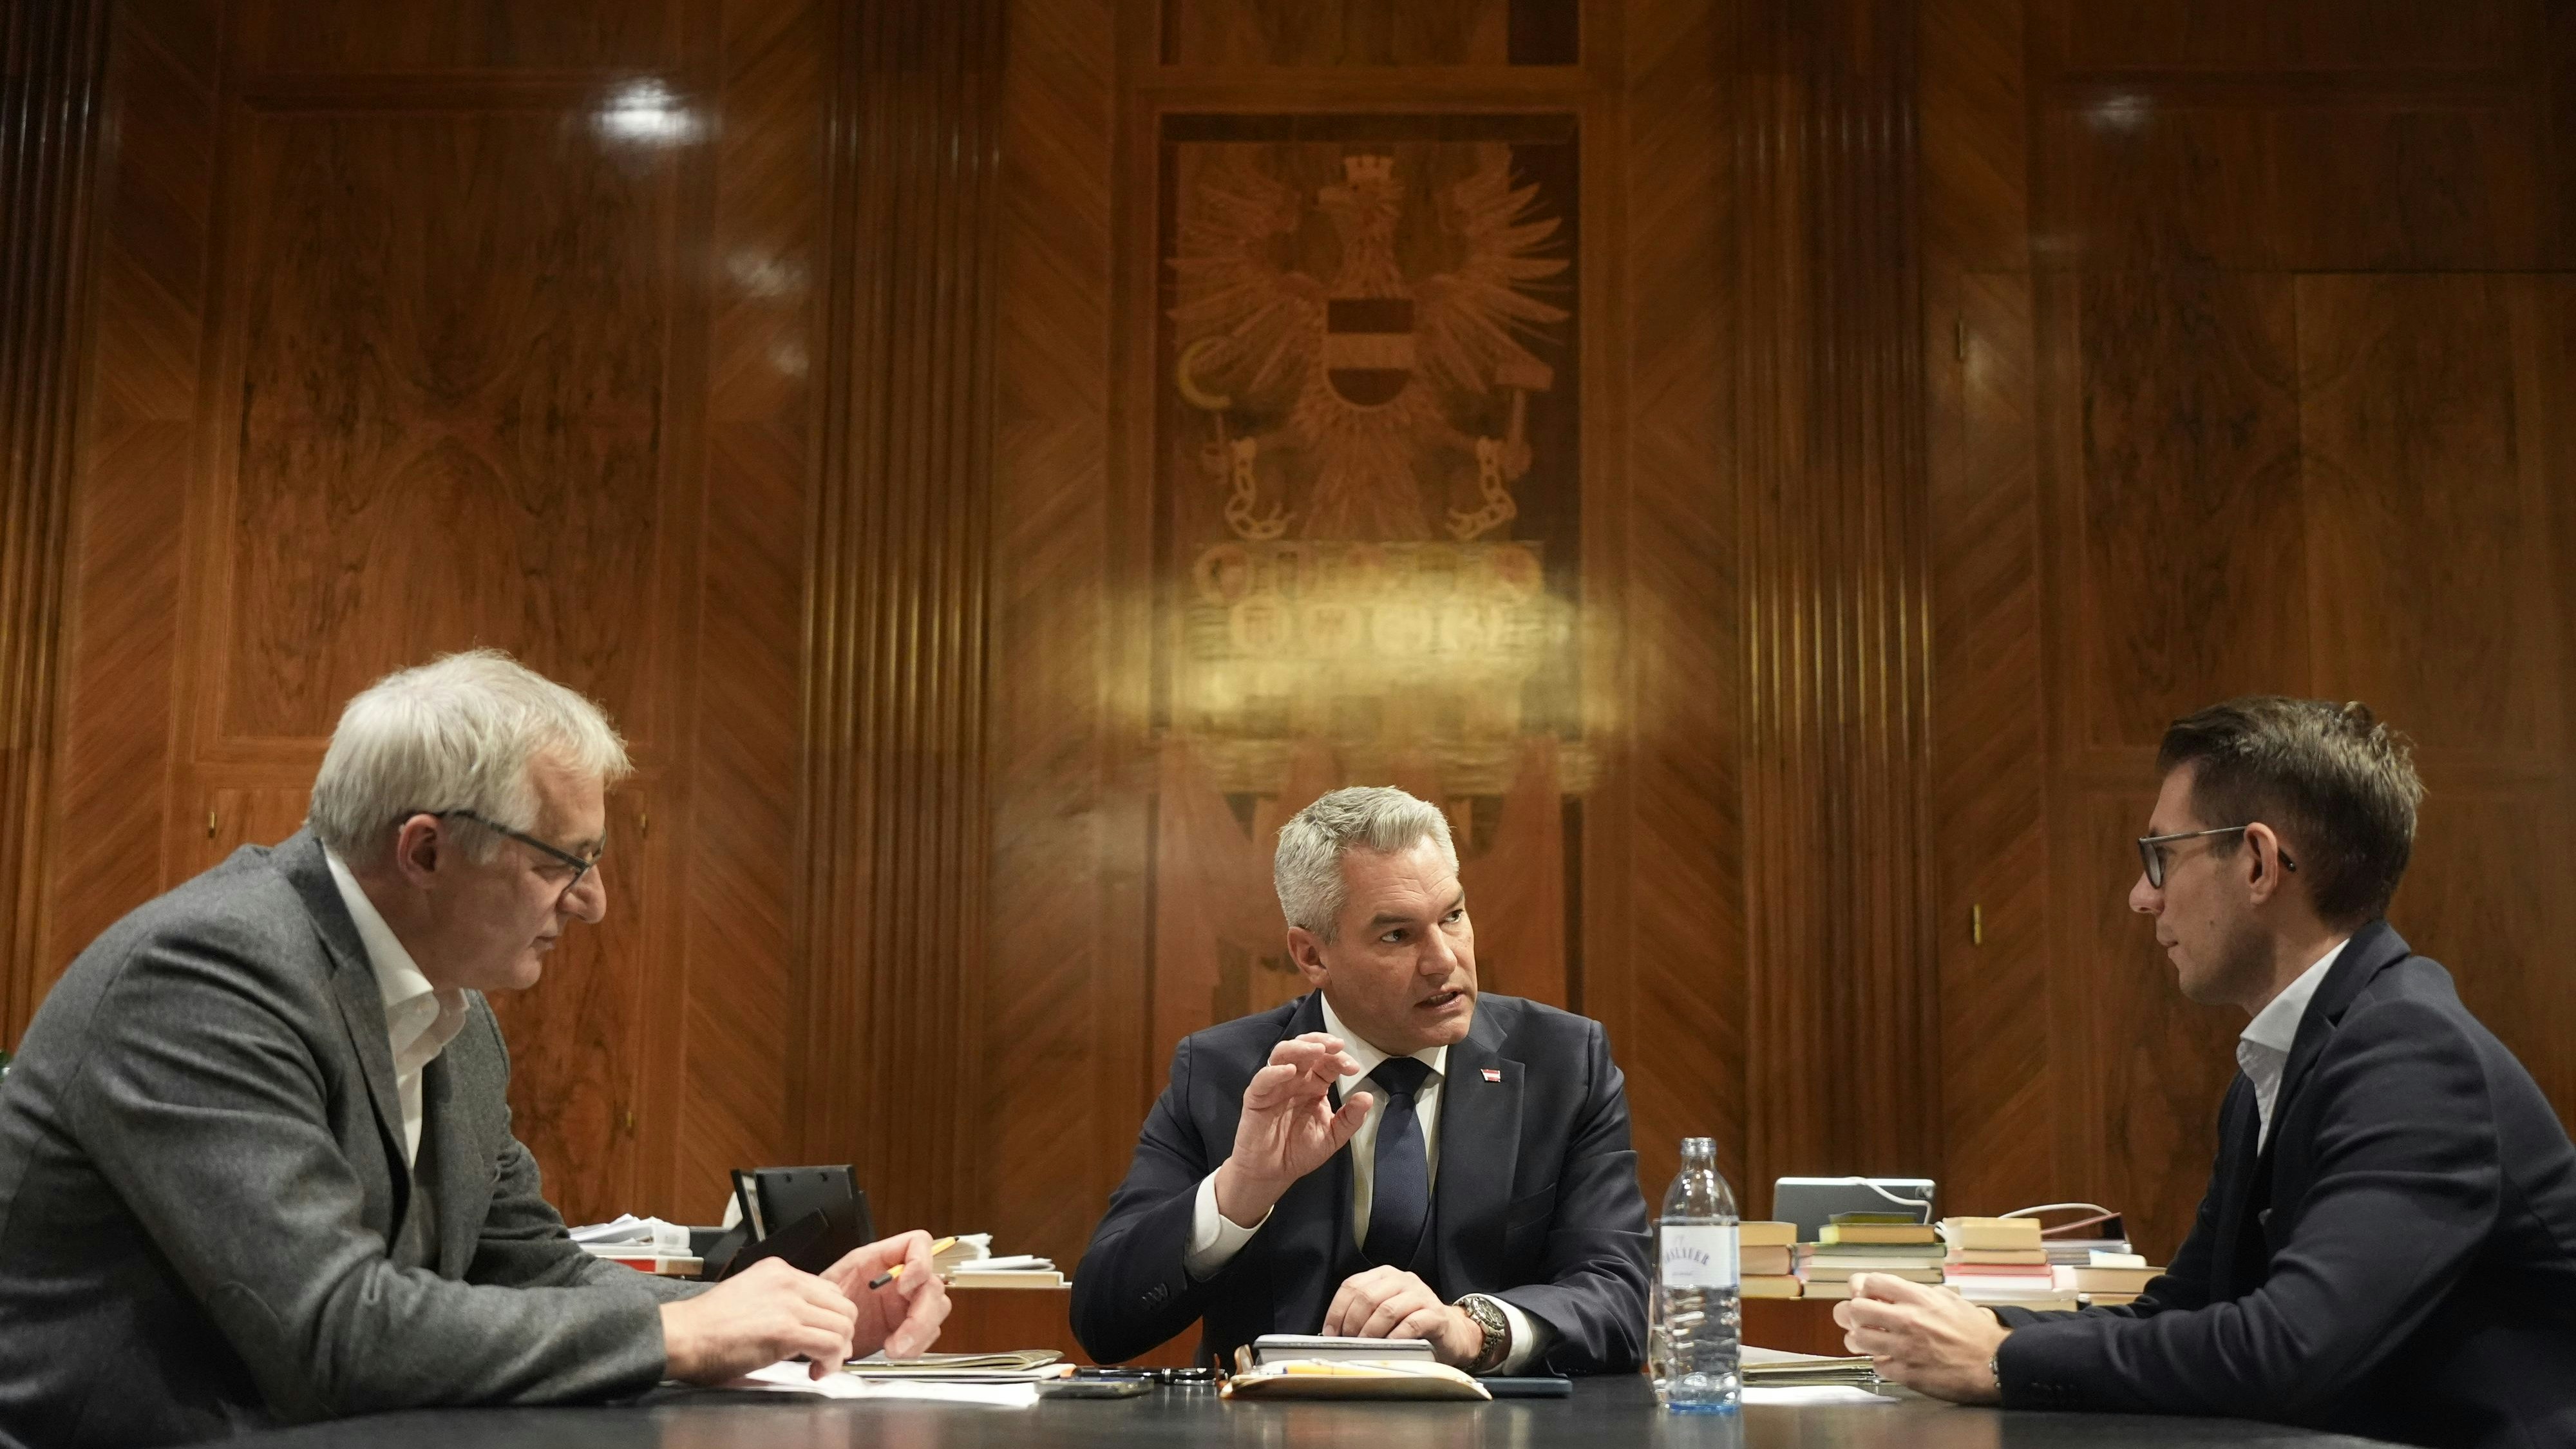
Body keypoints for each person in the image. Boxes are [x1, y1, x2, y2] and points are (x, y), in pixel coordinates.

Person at [0, 651, 950, 1445]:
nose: (591, 902)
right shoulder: (207, 976)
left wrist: (777, 1314)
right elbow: (332, 1334)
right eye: (556, 865)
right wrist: (681, 1336)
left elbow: (524, 1264)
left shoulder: (454, 1009)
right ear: (423, 851)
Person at [1835, 697, 2576, 1448]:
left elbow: (2291, 1349)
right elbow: (2186, 1313)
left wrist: (2000, 1358)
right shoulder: (2292, 1054)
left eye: (2162, 855)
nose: (2140, 895)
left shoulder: (2412, 1053)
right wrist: (1970, 1329)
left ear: (2256, 863)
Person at [1072, 786, 1649, 1375]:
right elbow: (1103, 1323)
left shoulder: (1564, 1062)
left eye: (1452, 916)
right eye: (1397, 935)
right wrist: (1238, 1194)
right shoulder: (1224, 1074)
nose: (1443, 960)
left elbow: (1621, 1299)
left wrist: (1476, 1327)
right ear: (1312, 956)